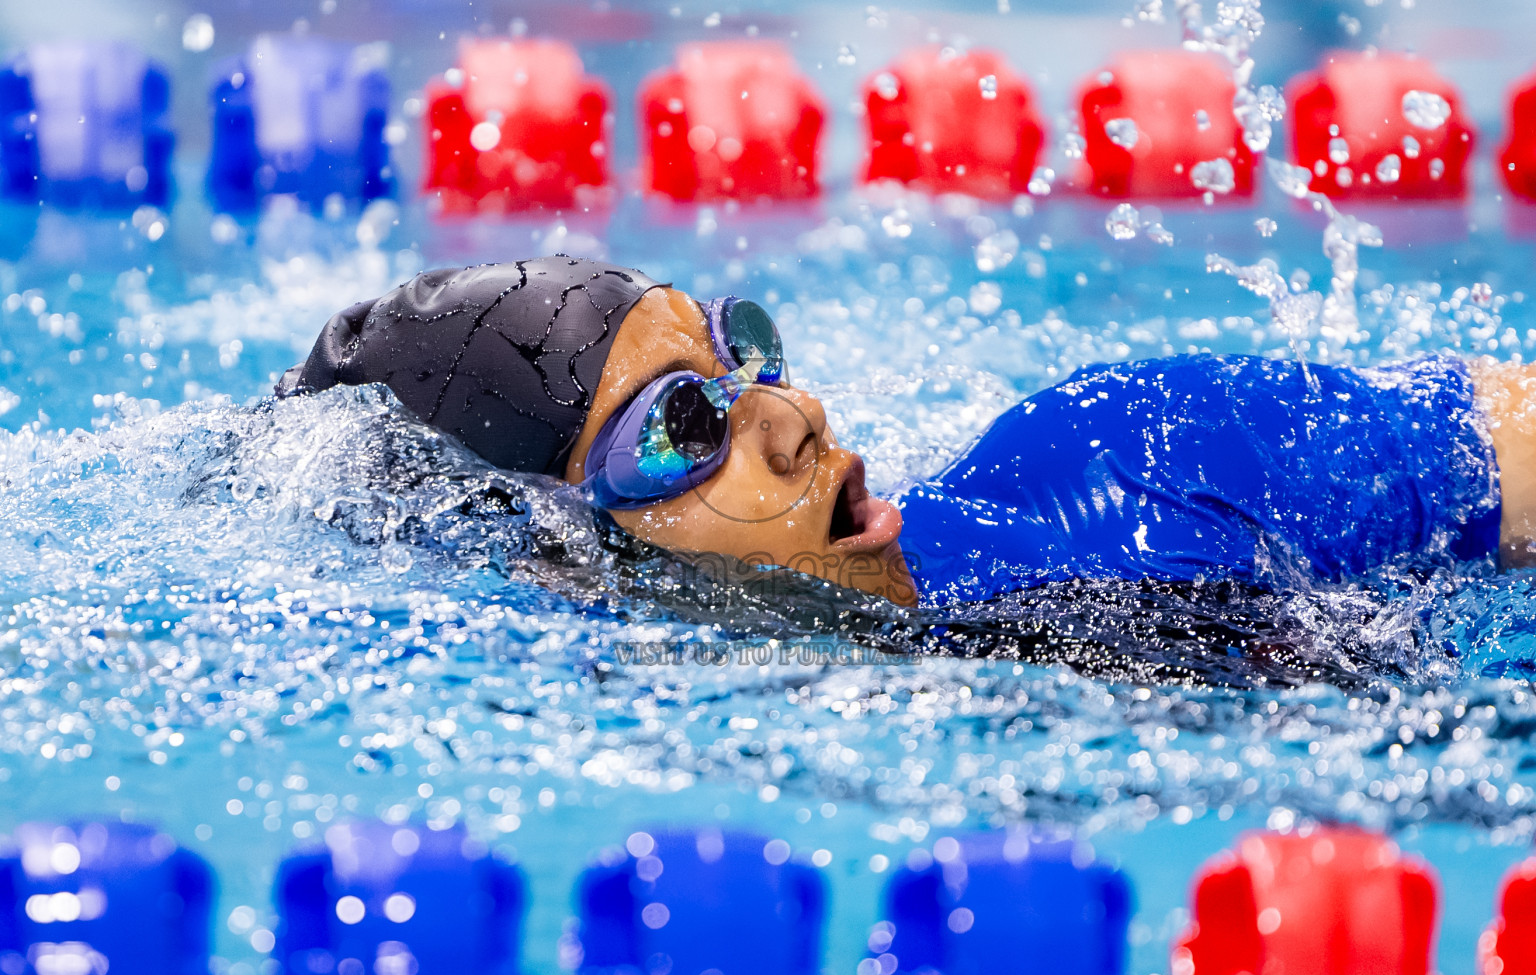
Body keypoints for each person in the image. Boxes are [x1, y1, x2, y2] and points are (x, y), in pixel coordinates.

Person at [276, 256, 1536, 610]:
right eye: (685, 425)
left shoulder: (1135, 458)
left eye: (742, 355)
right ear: (552, 546)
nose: (790, 415)